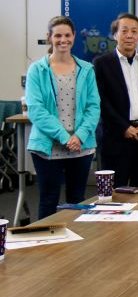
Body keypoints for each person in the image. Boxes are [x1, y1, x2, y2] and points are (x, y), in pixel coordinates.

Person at [25, 16, 100, 219]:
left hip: (81, 146)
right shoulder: (37, 70)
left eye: (67, 35)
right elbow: (36, 109)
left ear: (74, 36)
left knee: (77, 201)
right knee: (49, 199)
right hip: (48, 147)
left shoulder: (87, 69)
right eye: (57, 35)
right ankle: (45, 248)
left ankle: (75, 249)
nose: (63, 40)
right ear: (49, 37)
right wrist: (65, 138)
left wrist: (79, 136)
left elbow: (94, 107)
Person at [93, 13, 138, 190]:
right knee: (113, 193)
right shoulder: (101, 63)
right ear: (115, 35)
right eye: (124, 31)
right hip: (115, 138)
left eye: (134, 31)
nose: (129, 35)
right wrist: (123, 127)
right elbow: (101, 101)